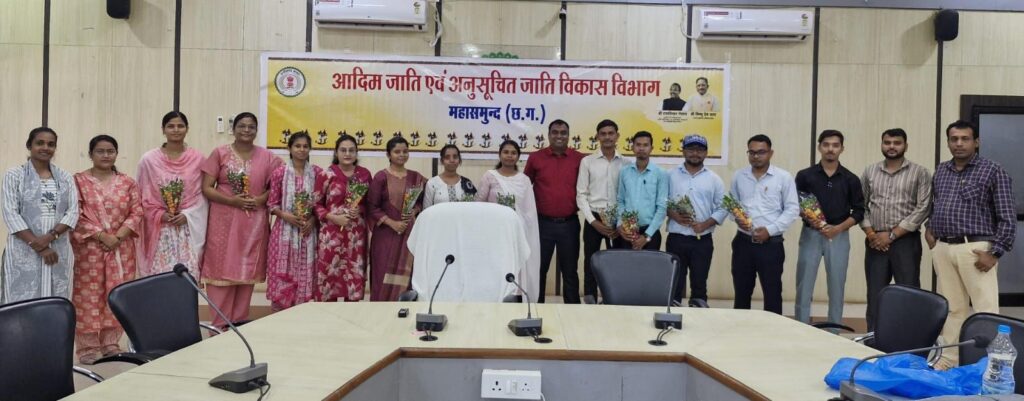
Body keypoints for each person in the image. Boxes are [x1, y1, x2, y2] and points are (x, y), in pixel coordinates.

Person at [928, 120, 1016, 370]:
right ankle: (948, 360)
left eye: (965, 139)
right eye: (954, 139)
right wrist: (930, 228)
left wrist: (995, 252)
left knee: (984, 311)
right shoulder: (942, 170)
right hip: (944, 248)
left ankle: (989, 366)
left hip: (976, 250)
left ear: (976, 142)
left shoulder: (992, 170)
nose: (959, 143)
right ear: (948, 142)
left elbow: (1007, 217)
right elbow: (936, 204)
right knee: (952, 309)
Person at [200, 112, 283, 328]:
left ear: (256, 130)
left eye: (251, 127)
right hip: (223, 222)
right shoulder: (220, 153)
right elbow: (207, 188)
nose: (246, 130)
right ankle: (218, 329)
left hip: (253, 224)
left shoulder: (269, 158)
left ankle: (238, 327)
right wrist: (233, 201)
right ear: (233, 129)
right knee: (220, 272)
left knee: (246, 274)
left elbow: (276, 187)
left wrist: (260, 200)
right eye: (242, 126)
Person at [71, 135, 143, 364]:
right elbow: (75, 214)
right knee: (87, 297)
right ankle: (88, 346)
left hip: (121, 249)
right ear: (90, 154)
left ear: (116, 154)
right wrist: (102, 236)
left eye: (110, 151)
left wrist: (117, 237)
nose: (105, 155)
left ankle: (111, 342)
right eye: (100, 151)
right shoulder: (78, 181)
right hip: (89, 249)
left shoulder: (128, 182)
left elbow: (137, 212)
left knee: (116, 293)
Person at [860, 128, 932, 332]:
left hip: (905, 241)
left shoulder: (920, 172)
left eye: (897, 143)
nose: (892, 146)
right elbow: (860, 205)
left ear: (905, 146)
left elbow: (923, 207)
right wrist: (872, 234)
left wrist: (892, 235)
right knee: (875, 294)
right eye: (887, 142)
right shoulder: (870, 171)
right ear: (882, 144)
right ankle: (872, 339)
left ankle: (908, 339)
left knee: (908, 292)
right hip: (875, 242)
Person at [794, 130, 865, 326]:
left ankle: (834, 330)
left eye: (835, 145)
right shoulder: (805, 175)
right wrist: (812, 219)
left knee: (836, 286)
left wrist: (838, 228)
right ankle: (801, 328)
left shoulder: (851, 179)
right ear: (819, 147)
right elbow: (796, 204)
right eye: (826, 144)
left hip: (839, 236)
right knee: (804, 285)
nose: (830, 149)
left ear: (842, 149)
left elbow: (859, 211)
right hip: (811, 234)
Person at [1, 127, 79, 304]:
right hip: (24, 248)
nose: (45, 148)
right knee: (22, 302)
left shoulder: (65, 177)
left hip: (58, 247)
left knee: (56, 300)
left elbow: (73, 211)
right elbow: (11, 213)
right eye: (40, 143)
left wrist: (51, 236)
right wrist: (40, 247)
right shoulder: (14, 175)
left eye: (51, 144)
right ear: (29, 145)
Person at [729, 134, 799, 315]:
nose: (756, 156)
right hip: (743, 243)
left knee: (772, 293)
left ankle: (773, 330)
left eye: (761, 152)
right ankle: (740, 328)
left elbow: (792, 209)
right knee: (741, 293)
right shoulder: (739, 176)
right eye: (752, 152)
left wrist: (770, 230)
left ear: (770, 153)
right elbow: (732, 205)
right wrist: (736, 218)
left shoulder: (783, 177)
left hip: (771, 245)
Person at [136, 111, 208, 277]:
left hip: (188, 227)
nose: (176, 130)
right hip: (159, 229)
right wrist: (160, 215)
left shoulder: (198, 159)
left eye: (180, 126)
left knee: (188, 275)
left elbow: (203, 196)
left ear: (187, 129)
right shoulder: (149, 160)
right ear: (163, 129)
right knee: (160, 276)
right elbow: (140, 196)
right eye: (171, 126)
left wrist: (188, 215)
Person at [524, 119, 584, 303]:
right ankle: (536, 309)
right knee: (539, 269)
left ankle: (572, 312)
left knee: (570, 271)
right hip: (542, 224)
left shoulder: (580, 159)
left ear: (569, 135)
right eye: (555, 132)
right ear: (549, 135)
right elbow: (524, 186)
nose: (559, 136)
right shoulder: (535, 158)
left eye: (563, 132)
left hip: (569, 224)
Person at [665, 134, 726, 306]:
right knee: (674, 283)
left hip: (702, 241)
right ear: (683, 151)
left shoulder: (714, 179)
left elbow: (723, 208)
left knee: (699, 284)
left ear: (706, 153)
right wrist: (674, 215)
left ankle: (699, 316)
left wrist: (704, 225)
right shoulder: (670, 176)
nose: (695, 153)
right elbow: (661, 202)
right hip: (676, 238)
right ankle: (672, 316)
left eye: (700, 150)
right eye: (691, 149)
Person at [478, 140, 542, 298]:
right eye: (506, 152)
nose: (509, 156)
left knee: (515, 264)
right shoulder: (489, 176)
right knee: (496, 265)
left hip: (516, 232)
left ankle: (515, 295)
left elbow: (529, 210)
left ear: (518, 157)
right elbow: (479, 204)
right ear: (500, 155)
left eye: (513, 153)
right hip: (494, 232)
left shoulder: (524, 180)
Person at [266, 132, 321, 311]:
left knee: (305, 275)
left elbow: (322, 204)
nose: (301, 150)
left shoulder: (317, 173)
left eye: (305, 146)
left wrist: (313, 219)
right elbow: (271, 204)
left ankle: (301, 318)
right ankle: (279, 319)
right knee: (282, 278)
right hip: (284, 233)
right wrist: (286, 216)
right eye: (297, 146)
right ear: (289, 148)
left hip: (308, 233)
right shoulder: (279, 173)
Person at [314, 134, 372, 302]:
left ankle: (351, 315)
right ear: (336, 152)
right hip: (331, 235)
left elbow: (370, 203)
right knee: (329, 279)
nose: (347, 154)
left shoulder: (364, 174)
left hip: (355, 236)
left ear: (356, 153)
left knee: (353, 279)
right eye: (343, 150)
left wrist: (360, 209)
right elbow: (316, 204)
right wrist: (332, 217)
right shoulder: (326, 175)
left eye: (351, 150)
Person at [367, 137, 425, 301]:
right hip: (385, 235)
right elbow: (372, 207)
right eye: (397, 151)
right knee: (382, 273)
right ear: (388, 154)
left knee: (407, 274)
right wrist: (392, 223)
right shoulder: (381, 177)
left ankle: (404, 308)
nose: (401, 155)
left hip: (408, 234)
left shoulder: (416, 177)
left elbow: (422, 202)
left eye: (405, 151)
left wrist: (414, 211)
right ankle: (381, 311)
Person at [576, 119, 625, 300]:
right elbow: (581, 194)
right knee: (592, 260)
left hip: (618, 220)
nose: (607, 137)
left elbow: (627, 196)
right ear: (597, 136)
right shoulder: (587, 162)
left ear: (617, 136)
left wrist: (620, 222)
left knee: (617, 260)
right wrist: (593, 221)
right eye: (603, 134)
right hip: (594, 218)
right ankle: (590, 296)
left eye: (611, 133)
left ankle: (614, 298)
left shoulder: (626, 163)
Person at [615, 131, 668, 250]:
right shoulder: (624, 172)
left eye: (645, 145)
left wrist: (647, 236)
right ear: (632, 147)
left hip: (650, 232)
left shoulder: (660, 173)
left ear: (651, 148)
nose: (641, 148)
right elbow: (620, 200)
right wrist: (620, 224)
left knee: (649, 263)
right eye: (638, 145)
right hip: (627, 232)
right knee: (625, 262)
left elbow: (662, 207)